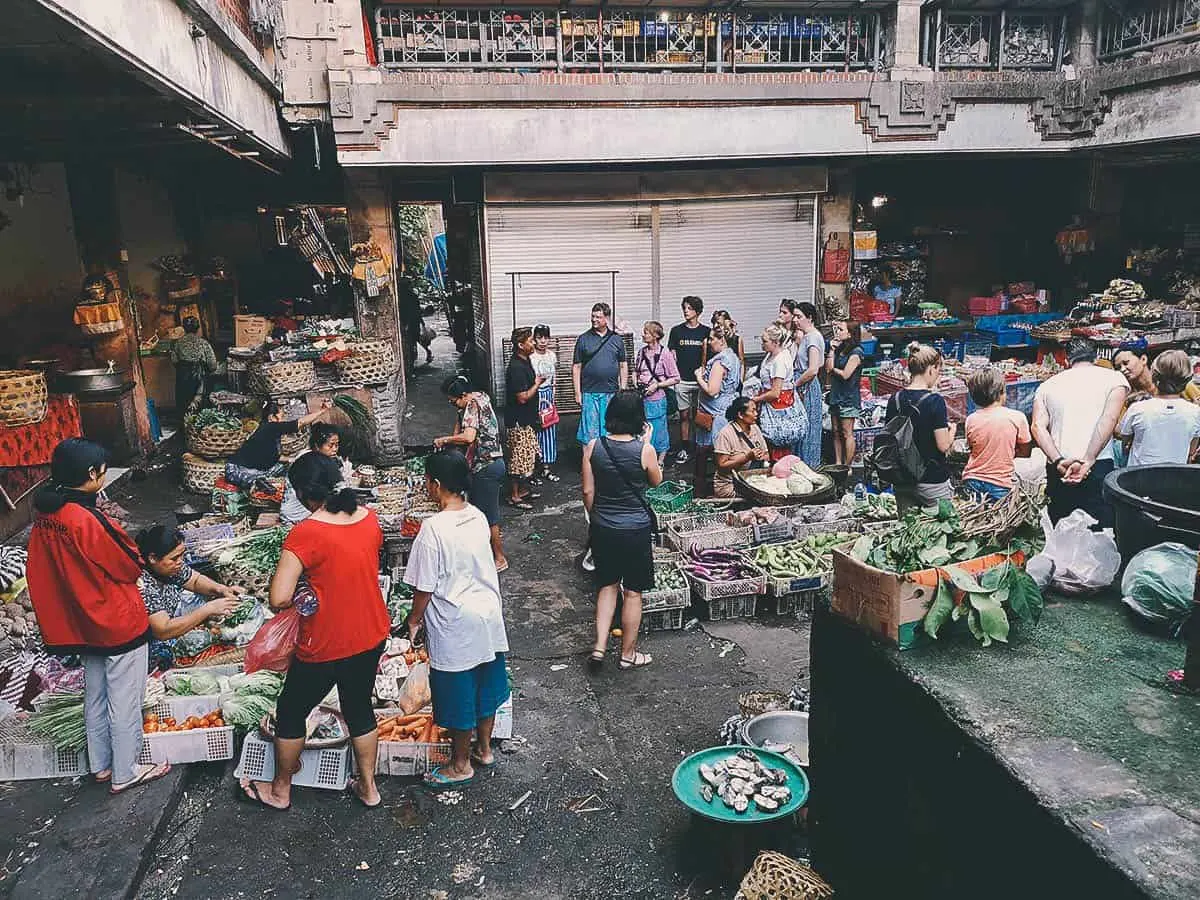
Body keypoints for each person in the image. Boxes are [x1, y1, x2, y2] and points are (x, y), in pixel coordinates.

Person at [240, 453, 390, 811]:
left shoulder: (306, 533)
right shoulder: (369, 519)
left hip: (325, 641)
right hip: (370, 632)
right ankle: (369, 788)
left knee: (291, 711)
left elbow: (278, 597)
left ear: (305, 494)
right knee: (359, 709)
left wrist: (306, 583)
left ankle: (280, 790)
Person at [26, 439, 171, 794]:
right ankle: (126, 771)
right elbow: (129, 564)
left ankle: (101, 766)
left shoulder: (46, 516)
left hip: (80, 621)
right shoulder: (86, 519)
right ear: (91, 475)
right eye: (102, 470)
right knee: (125, 699)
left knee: (96, 696)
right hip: (114, 621)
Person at [403, 450, 511, 788]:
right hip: (487, 613)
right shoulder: (477, 516)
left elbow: (424, 587)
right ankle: (485, 750)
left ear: (435, 485)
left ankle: (460, 764)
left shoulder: (433, 529)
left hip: (455, 621)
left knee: (459, 692)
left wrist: (414, 620)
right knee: (487, 683)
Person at [582, 391, 663, 671]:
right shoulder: (645, 450)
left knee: (607, 586)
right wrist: (647, 445)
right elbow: (655, 482)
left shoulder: (593, 446)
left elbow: (587, 490)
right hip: (635, 529)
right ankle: (628, 655)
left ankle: (599, 647)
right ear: (639, 418)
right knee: (632, 593)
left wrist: (597, 518)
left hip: (604, 525)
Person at [1031, 338, 1128, 528]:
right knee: (1100, 534)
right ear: (1097, 357)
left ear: (1066, 360)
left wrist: (1058, 461)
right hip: (1098, 464)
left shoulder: (1047, 385)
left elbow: (1037, 426)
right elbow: (1108, 419)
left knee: (1061, 531)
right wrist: (1089, 459)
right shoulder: (1115, 380)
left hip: (1060, 468)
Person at [134, 525, 243, 664]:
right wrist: (207, 610)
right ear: (153, 558)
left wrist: (221, 589)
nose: (180, 562)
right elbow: (163, 630)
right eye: (174, 558)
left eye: (182, 555)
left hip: (172, 622)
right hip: (152, 646)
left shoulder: (169, 566)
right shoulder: (143, 584)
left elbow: (194, 580)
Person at [436, 376, 509, 572]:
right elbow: (461, 427)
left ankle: (500, 558)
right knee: (482, 513)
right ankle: (483, 554)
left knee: (489, 516)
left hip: (486, 466)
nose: (453, 405)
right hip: (493, 462)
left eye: (454, 401)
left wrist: (445, 440)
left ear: (462, 395)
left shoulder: (471, 405)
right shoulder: (480, 396)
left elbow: (469, 436)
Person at [884, 345, 957, 512]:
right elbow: (943, 445)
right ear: (931, 369)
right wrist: (951, 431)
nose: (938, 374)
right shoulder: (935, 401)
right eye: (939, 369)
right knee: (940, 530)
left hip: (902, 480)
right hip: (931, 481)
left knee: (909, 531)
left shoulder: (894, 399)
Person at [1115, 349, 1200, 467]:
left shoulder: (1137, 408)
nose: (1123, 369)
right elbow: (1191, 450)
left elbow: (1124, 441)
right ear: (1186, 379)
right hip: (1176, 476)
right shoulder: (1195, 412)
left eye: (1125, 363)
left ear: (1154, 375)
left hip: (1138, 477)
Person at [962, 368, 1033, 501]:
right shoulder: (1017, 417)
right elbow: (1026, 452)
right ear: (1001, 393)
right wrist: (1007, 452)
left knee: (976, 518)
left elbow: (974, 448)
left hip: (972, 479)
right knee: (1000, 518)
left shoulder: (971, 419)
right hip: (1000, 482)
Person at [225, 400, 330, 490]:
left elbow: (274, 456)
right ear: (271, 417)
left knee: (288, 469)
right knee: (269, 482)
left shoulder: (269, 433)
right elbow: (301, 423)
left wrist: (293, 459)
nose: (282, 420)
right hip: (237, 470)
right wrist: (322, 411)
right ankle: (258, 484)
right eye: (281, 417)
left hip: (252, 469)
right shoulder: (270, 427)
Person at [693, 324, 743, 496]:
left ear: (721, 340)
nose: (709, 342)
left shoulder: (720, 362)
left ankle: (713, 492)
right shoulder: (733, 357)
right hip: (726, 408)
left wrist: (699, 377)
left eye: (712, 339)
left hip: (714, 414)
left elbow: (712, 390)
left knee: (712, 453)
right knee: (724, 451)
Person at [573, 303, 627, 446]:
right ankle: (588, 465)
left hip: (611, 392)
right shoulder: (583, 339)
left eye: (598, 317)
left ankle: (608, 464)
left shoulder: (616, 339)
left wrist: (623, 388)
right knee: (589, 433)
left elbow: (623, 364)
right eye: (593, 316)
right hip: (589, 392)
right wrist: (577, 392)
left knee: (610, 430)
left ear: (607, 318)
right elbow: (576, 367)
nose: (594, 319)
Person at [280, 424, 352, 525]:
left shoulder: (324, 459)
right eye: (330, 445)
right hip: (299, 513)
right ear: (317, 446)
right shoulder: (306, 462)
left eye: (337, 445)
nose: (335, 449)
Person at [667, 296, 710, 464]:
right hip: (683, 380)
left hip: (700, 381)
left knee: (700, 416)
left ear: (698, 312)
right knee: (684, 415)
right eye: (684, 308)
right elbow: (672, 354)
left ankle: (700, 447)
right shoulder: (676, 331)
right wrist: (674, 375)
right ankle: (684, 447)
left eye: (690, 308)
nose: (686, 311)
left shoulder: (706, 331)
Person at [752, 324, 804, 459]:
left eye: (765, 341)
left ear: (775, 343)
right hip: (771, 404)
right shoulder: (772, 355)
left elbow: (775, 392)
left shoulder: (779, 361)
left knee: (777, 443)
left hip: (777, 408)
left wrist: (756, 399)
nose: (762, 344)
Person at [504, 327, 542, 511]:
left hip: (528, 418)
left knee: (528, 456)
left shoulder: (525, 361)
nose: (533, 343)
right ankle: (514, 495)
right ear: (521, 345)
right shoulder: (516, 368)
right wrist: (537, 384)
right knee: (518, 459)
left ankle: (524, 490)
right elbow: (522, 397)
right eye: (530, 341)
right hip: (518, 420)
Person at [635, 321, 680, 465]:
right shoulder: (641, 352)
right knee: (642, 428)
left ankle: (659, 461)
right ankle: (645, 458)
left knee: (659, 430)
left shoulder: (665, 353)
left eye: (646, 332)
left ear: (655, 336)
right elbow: (635, 370)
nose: (643, 334)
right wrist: (635, 379)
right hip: (642, 399)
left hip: (657, 400)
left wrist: (657, 385)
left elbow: (676, 378)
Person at [713, 397, 770, 499]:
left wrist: (762, 457)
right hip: (731, 485)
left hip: (751, 479)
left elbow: (766, 454)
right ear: (740, 415)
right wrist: (746, 457)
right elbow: (721, 465)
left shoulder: (755, 428)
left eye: (756, 410)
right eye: (752, 411)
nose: (756, 414)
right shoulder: (725, 434)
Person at [792, 301, 826, 468]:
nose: (795, 320)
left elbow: (813, 369)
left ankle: (809, 466)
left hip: (808, 385)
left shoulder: (813, 337)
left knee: (809, 429)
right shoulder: (805, 337)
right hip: (803, 383)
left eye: (799, 317)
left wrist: (796, 384)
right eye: (795, 317)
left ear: (810, 318)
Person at [826, 320, 865, 466]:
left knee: (847, 432)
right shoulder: (839, 349)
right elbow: (827, 366)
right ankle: (838, 462)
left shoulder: (857, 352)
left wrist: (833, 370)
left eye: (841, 329)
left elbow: (846, 374)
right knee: (836, 431)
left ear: (849, 333)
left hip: (848, 397)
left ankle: (847, 465)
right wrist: (831, 350)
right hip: (836, 395)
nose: (838, 332)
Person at [1115, 339, 1200, 403]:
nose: (1122, 369)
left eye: (1126, 363)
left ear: (1143, 359)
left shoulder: (1179, 383)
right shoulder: (1126, 395)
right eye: (1118, 367)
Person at [530, 324, 560, 483]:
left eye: (545, 338)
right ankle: (533, 470)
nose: (543, 341)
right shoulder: (531, 357)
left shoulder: (551, 356)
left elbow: (554, 378)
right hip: (535, 395)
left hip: (548, 396)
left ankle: (547, 468)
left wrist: (553, 397)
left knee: (549, 431)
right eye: (539, 337)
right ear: (534, 339)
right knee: (535, 432)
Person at [171, 316, 217, 413]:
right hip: (199, 380)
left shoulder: (178, 344)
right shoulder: (204, 343)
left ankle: (184, 426)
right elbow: (212, 365)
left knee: (184, 409)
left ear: (184, 328)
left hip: (183, 379)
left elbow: (174, 360)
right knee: (200, 409)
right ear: (198, 328)